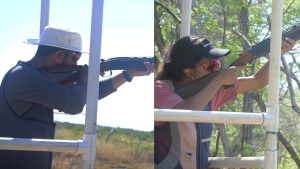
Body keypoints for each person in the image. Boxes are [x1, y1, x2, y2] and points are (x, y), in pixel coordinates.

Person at [0, 24, 154, 169]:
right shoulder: (23, 77)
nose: (76, 65)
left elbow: (89, 94)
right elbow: (75, 104)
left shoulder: (33, 78)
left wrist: (128, 74)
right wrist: (84, 77)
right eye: (75, 58)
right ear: (59, 55)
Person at [154, 35, 295, 169]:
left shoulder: (212, 89)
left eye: (216, 63)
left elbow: (258, 81)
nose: (216, 67)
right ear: (187, 70)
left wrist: (277, 52)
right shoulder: (159, 88)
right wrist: (219, 80)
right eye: (210, 65)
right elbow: (185, 112)